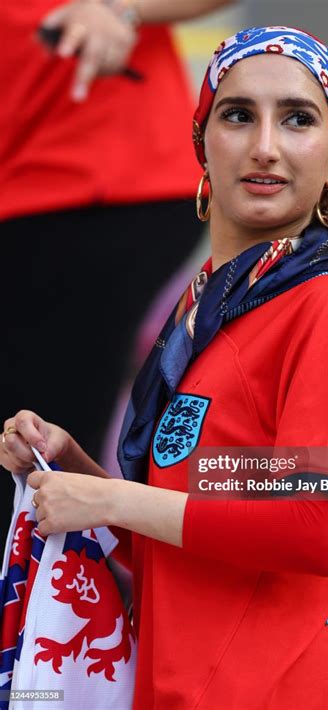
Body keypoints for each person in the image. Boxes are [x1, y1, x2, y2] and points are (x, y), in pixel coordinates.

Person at [1, 26, 328, 709]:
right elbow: (191, 532)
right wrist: (76, 474)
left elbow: (318, 528)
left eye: (298, 119)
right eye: (238, 115)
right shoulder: (205, 313)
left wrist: (113, 498)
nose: (264, 145)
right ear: (202, 143)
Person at [0, 0, 235, 544]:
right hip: (35, 185)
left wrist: (118, 7)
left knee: (33, 439)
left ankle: (58, 611)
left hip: (99, 183)